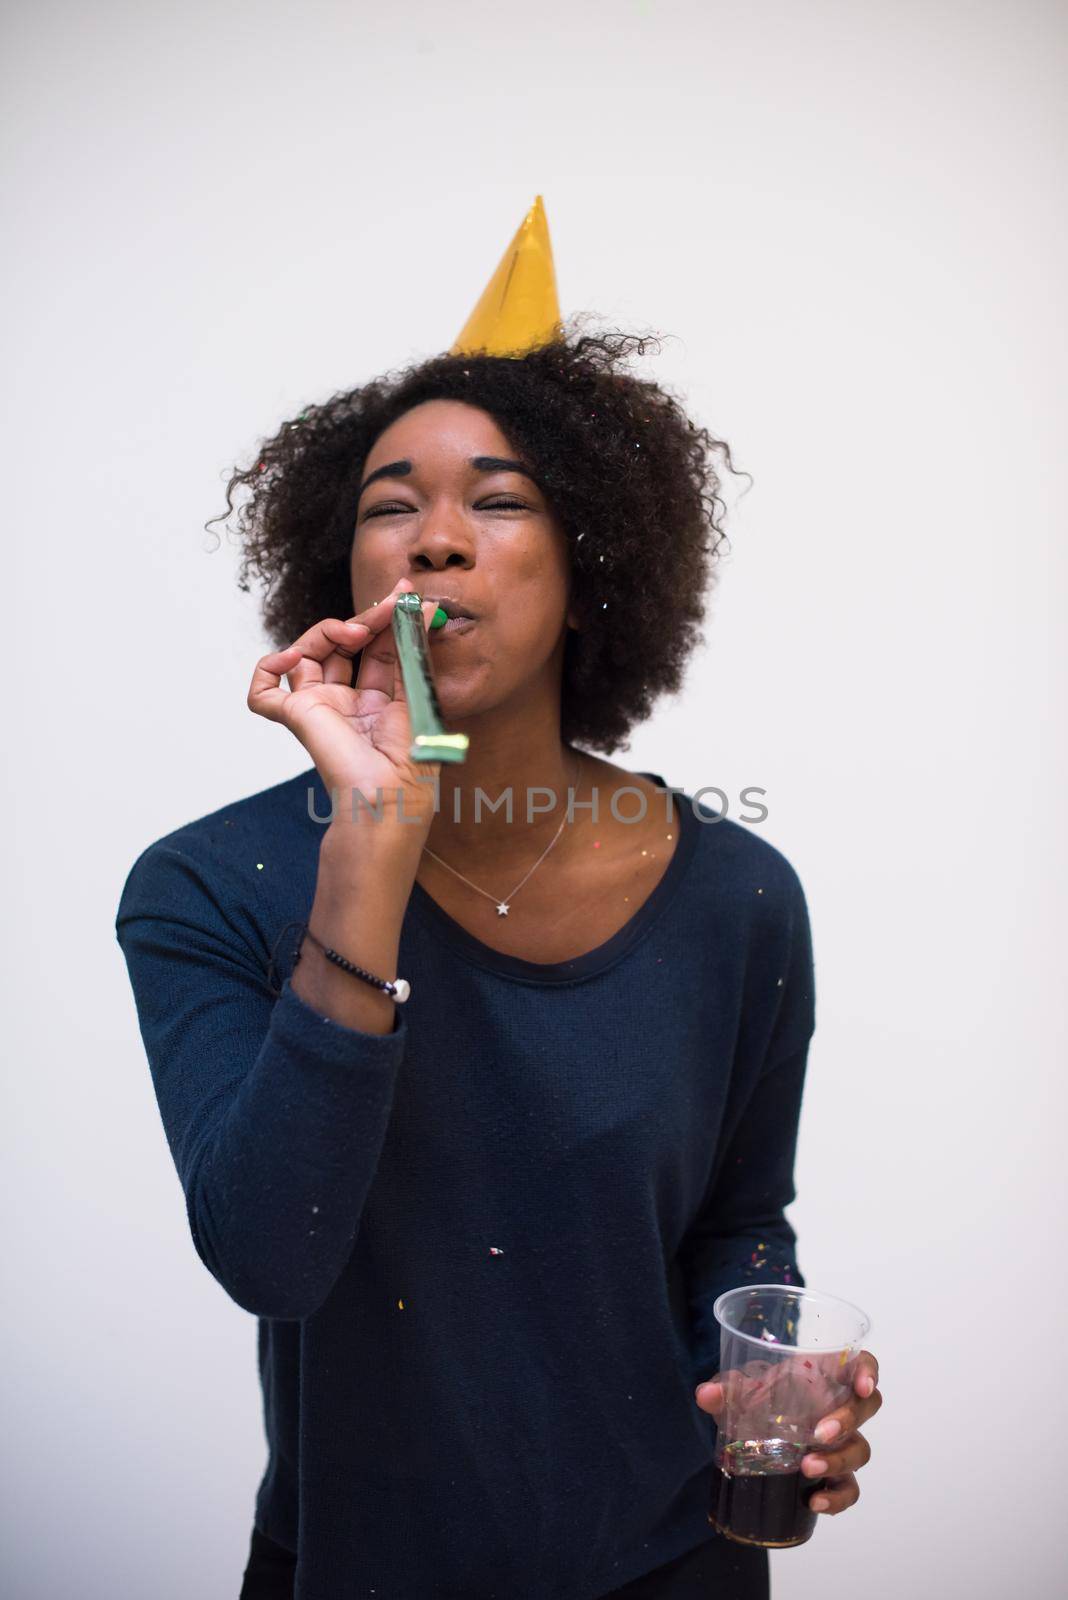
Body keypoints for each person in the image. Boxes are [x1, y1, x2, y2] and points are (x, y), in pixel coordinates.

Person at [115, 210, 881, 1599]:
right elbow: (271, 1257)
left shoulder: (740, 899)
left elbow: (735, 1228)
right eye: (391, 507)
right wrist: (374, 841)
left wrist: (782, 1393)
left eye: (503, 501)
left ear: (594, 576)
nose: (438, 543)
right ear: (339, 570)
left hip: (675, 1568)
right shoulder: (209, 889)